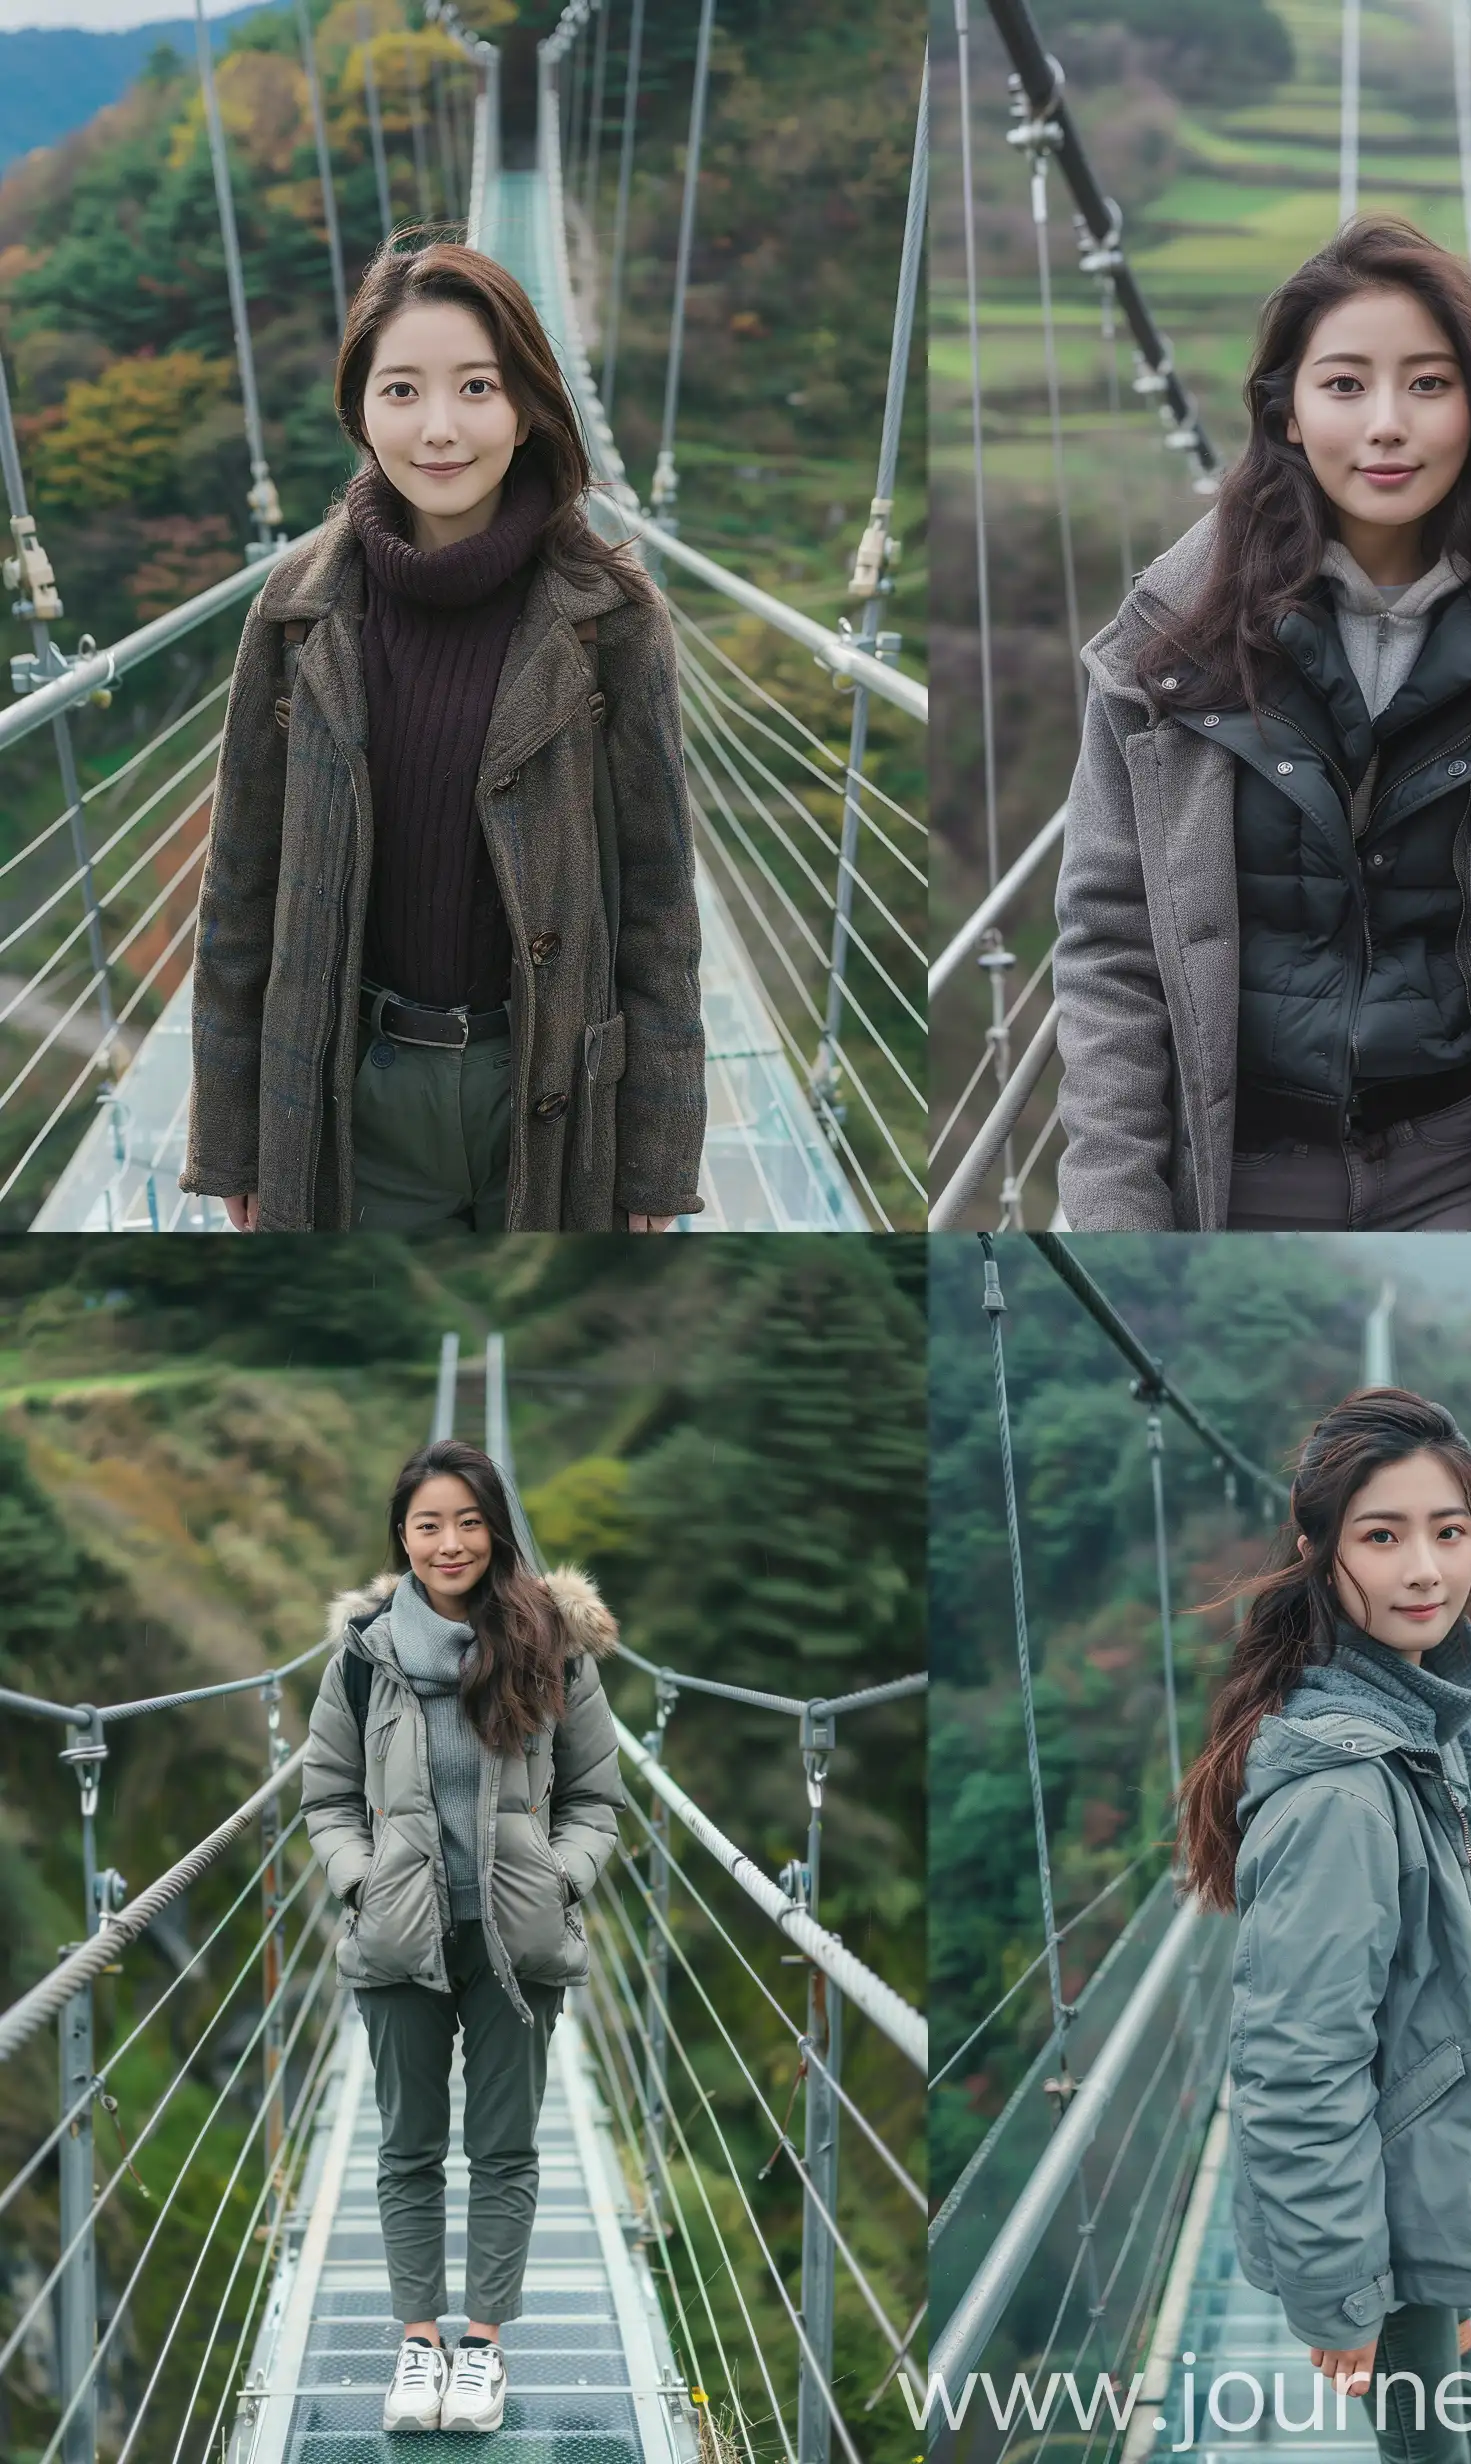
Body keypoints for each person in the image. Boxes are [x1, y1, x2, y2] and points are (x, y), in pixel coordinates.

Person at [1052, 215, 1471, 1233]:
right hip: (1235, 1167)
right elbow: (1110, 948)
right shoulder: (1168, 647)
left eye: (1426, 383)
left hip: (1458, 1162)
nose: (1385, 424)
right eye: (1341, 385)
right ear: (1284, 414)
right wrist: (1114, 1217)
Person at [182, 235, 706, 1233]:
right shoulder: (294, 614)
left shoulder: (612, 620)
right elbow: (238, 893)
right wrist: (234, 1144)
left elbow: (658, 911)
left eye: (475, 387)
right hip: (348, 1085)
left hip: (547, 1084)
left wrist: (654, 1168)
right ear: (360, 410)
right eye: (400, 390)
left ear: (526, 407)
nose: (437, 429)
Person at [1176, 1388, 1471, 2464]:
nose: (1425, 1572)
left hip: (1423, 2210)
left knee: (1467, 2425)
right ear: (1316, 1550)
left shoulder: (1433, 1735)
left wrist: (1456, 2265)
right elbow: (1297, 2066)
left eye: (1448, 1532)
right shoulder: (1345, 1793)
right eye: (1380, 1536)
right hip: (1379, 2231)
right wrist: (1343, 2293)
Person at [301, 1437, 623, 2434]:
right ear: (400, 1535)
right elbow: (327, 1797)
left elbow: (595, 1799)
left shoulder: (552, 1646)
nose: (450, 1542)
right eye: (428, 1523)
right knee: (405, 2147)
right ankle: (416, 2342)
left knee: (503, 2148)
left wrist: (557, 1879)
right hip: (400, 1938)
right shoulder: (360, 1658)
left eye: (469, 1520)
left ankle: (480, 2346)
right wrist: (360, 1887)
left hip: (513, 1944)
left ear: (496, 1528)